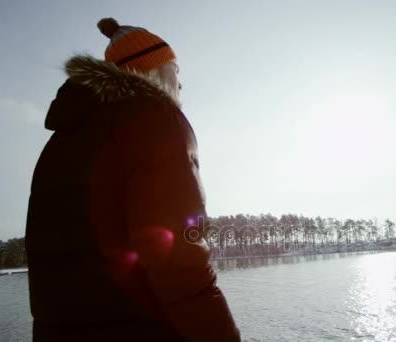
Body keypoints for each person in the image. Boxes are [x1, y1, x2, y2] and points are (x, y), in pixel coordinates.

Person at [25, 18, 240, 341]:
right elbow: (179, 259)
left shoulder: (61, 139)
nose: (180, 83)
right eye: (175, 70)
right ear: (153, 71)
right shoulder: (156, 120)